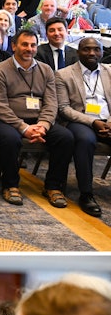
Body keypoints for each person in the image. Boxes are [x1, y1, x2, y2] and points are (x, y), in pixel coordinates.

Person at [0, 29, 74, 207]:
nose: (29, 49)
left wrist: (43, 125)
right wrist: (23, 128)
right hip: (5, 120)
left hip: (38, 121)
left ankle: (53, 186)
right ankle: (10, 184)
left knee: (65, 137)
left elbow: (51, 103)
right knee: (10, 138)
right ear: (14, 45)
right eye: (24, 44)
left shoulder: (46, 70)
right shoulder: (0, 70)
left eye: (33, 45)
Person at [55, 37, 110, 218]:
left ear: (102, 52)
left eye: (96, 49)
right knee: (85, 140)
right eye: (87, 49)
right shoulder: (64, 74)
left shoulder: (110, 72)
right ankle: (86, 194)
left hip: (108, 120)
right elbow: (63, 108)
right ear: (78, 52)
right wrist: (93, 122)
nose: (92, 53)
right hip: (81, 122)